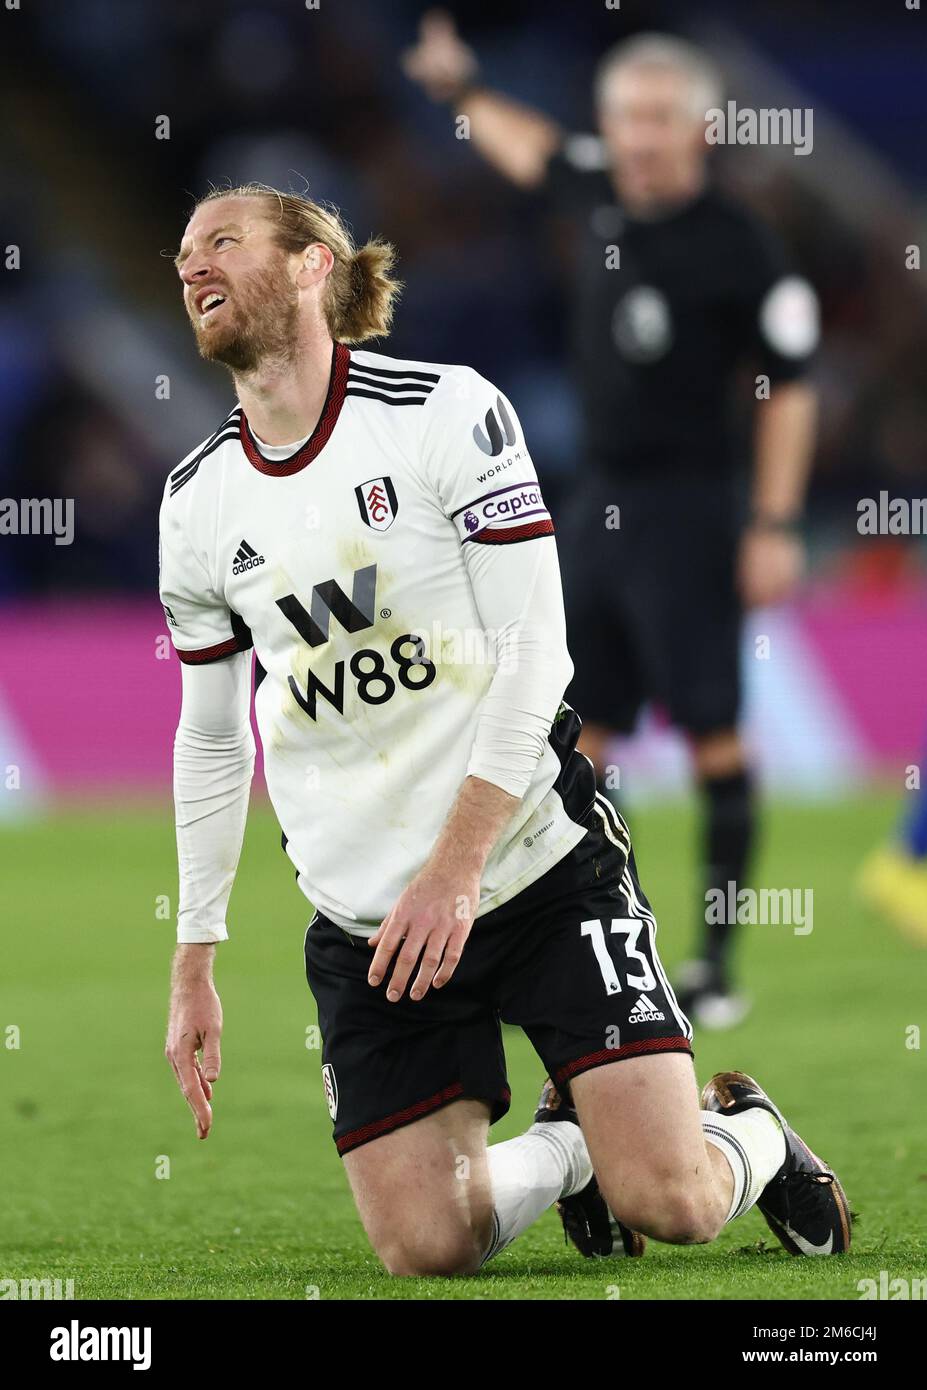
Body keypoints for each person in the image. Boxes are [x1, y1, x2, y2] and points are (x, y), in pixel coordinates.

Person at [160, 184, 849, 1274]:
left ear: (310, 266)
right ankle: (571, 1149)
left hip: (531, 865)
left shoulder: (444, 412)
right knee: (428, 1246)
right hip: (370, 924)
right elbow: (211, 738)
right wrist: (195, 951)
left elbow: (539, 654)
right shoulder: (194, 503)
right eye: (185, 253)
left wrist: (457, 864)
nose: (193, 266)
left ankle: (753, 1134)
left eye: (223, 243)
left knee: (674, 1202)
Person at [403, 19, 821, 1027]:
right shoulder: (591, 186)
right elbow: (527, 147)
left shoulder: (739, 244)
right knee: (578, 737)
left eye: (660, 119)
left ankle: (717, 960)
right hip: (594, 503)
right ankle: (615, 932)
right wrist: (462, 90)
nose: (641, 137)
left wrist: (772, 519)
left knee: (715, 733)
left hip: (694, 506)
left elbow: (791, 390)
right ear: (609, 123)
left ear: (700, 128)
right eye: (627, 117)